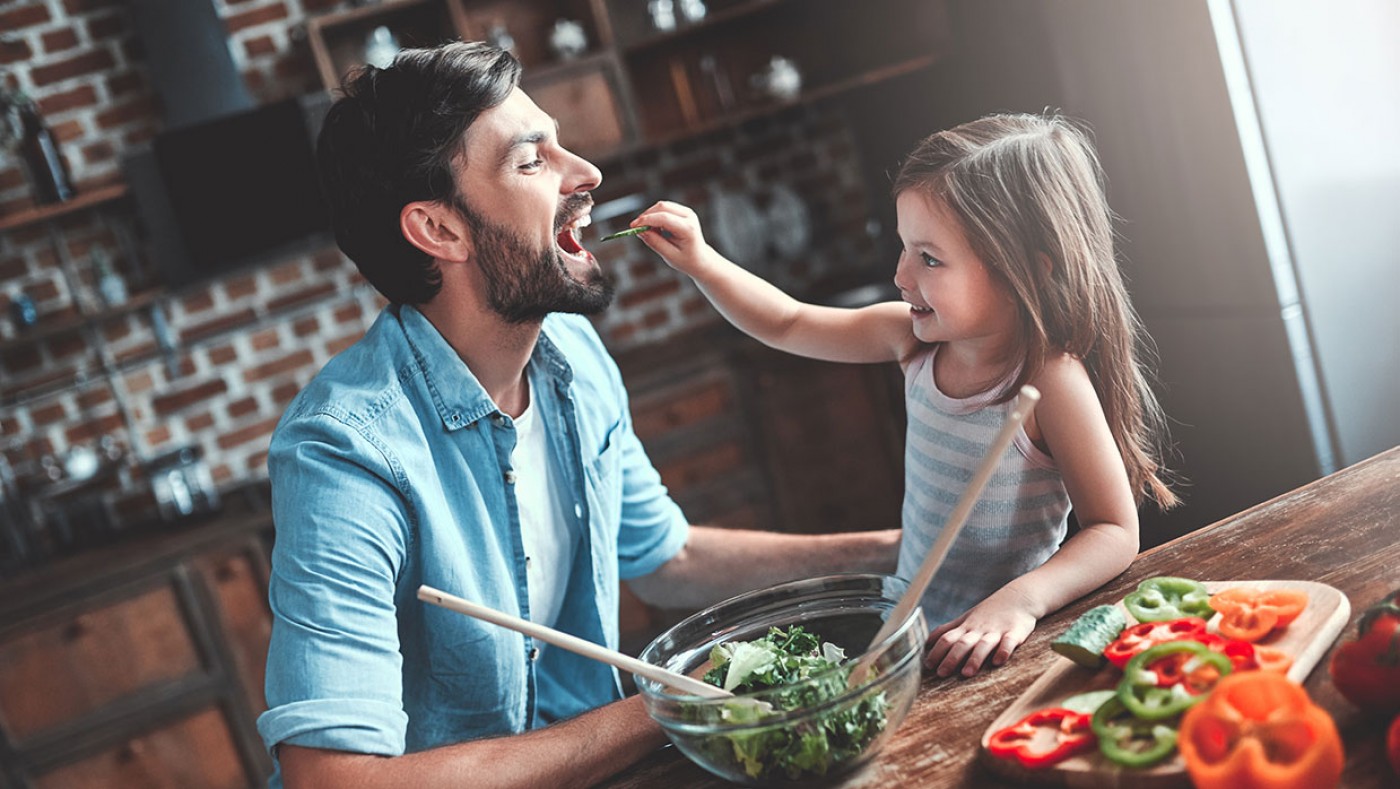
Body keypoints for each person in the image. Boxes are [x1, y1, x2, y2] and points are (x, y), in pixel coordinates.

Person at [257, 42, 901, 789]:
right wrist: (669, 703)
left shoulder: (571, 353)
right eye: (532, 161)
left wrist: (900, 552)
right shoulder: (344, 451)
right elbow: (333, 779)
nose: (586, 173)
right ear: (440, 230)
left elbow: (666, 557)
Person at [630, 113, 1178, 681]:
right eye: (903, 248)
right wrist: (701, 261)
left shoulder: (1048, 380)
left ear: (1027, 275)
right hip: (913, 642)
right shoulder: (910, 340)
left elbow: (1114, 531)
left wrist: (1021, 602)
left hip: (1003, 651)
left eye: (929, 258)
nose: (900, 275)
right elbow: (788, 323)